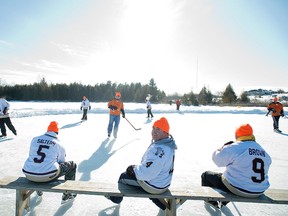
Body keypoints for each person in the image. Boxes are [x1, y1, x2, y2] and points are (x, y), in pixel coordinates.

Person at [106, 117, 177, 210]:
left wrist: (133, 170)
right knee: (143, 179)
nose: (154, 131)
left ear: (165, 132)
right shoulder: (168, 145)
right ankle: (162, 204)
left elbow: (146, 174)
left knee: (123, 177)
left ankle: (116, 199)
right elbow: (152, 167)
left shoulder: (159, 150)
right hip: (163, 183)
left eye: (158, 129)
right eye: (153, 128)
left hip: (155, 187)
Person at [201, 124, 272, 209]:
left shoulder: (235, 147)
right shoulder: (262, 150)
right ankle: (223, 202)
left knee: (206, 175)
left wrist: (223, 147)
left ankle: (211, 201)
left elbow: (217, 160)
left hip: (239, 189)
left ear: (237, 135)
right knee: (233, 179)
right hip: (259, 191)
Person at [22, 121, 77, 204]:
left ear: (47, 130)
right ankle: (68, 194)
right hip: (47, 176)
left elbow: (31, 155)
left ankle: (39, 190)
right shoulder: (59, 144)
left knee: (38, 165)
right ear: (57, 132)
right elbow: (61, 162)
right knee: (72, 165)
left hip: (28, 174)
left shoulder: (35, 139)